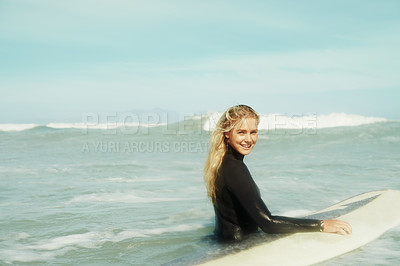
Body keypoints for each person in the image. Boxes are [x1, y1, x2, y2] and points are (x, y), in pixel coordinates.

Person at [204, 105, 352, 241]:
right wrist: (321, 225)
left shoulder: (221, 163)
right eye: (241, 132)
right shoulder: (234, 168)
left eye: (253, 132)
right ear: (227, 133)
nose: (248, 139)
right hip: (238, 247)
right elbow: (268, 224)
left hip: (222, 241)